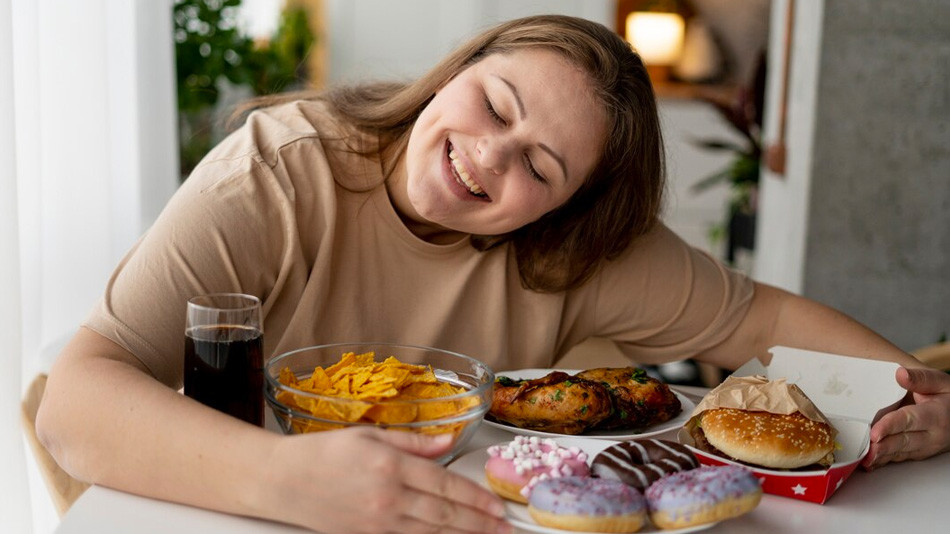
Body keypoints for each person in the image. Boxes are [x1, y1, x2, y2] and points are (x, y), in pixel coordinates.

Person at [36, 14, 949, 534]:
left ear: (564, 210)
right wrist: (285, 479)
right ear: (455, 73)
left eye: (541, 169)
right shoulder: (279, 172)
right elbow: (73, 404)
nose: (488, 156)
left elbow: (761, 318)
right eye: (493, 103)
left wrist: (921, 392)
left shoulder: (581, 251)